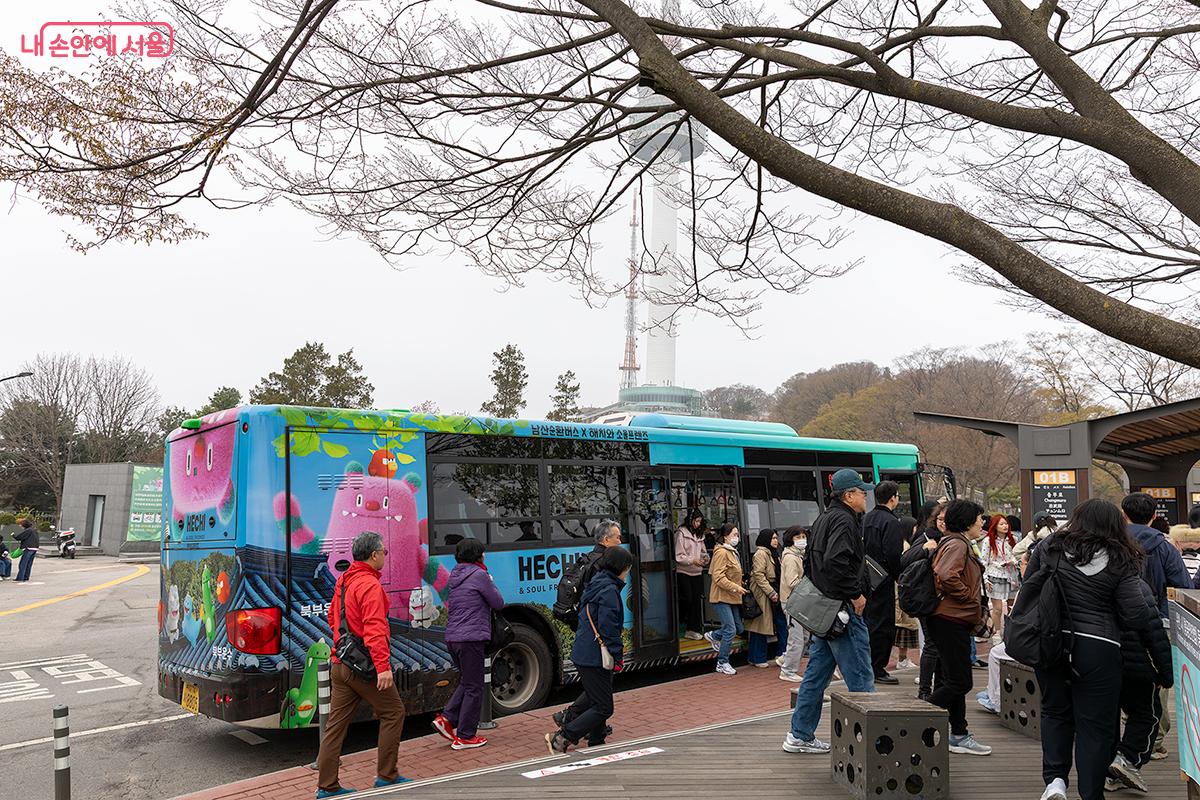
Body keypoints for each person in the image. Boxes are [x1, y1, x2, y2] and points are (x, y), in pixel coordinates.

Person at [1030, 500, 1164, 800]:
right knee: (1096, 727)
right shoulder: (1121, 556)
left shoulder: (1050, 548)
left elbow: (1031, 588)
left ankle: (1055, 783)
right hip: (1099, 650)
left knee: (1055, 713)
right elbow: (1136, 615)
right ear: (1115, 524)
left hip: (1050, 643)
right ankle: (1091, 794)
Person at [782, 468, 875, 755]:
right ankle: (874, 743)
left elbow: (814, 563)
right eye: (862, 492)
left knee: (816, 676)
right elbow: (837, 562)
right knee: (861, 677)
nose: (865, 496)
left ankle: (799, 735)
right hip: (842, 611)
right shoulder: (845, 521)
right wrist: (856, 594)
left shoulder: (824, 518)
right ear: (848, 495)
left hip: (825, 611)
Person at [317, 532, 409, 797]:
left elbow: (333, 617)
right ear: (373, 555)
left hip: (340, 663)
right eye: (384, 552)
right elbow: (375, 628)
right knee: (393, 712)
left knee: (335, 727)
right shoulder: (370, 585)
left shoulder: (344, 580)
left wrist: (343, 645)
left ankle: (327, 786)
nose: (384, 556)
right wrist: (383, 667)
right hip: (364, 668)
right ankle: (387, 776)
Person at [546, 546, 634, 754]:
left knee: (597, 695)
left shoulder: (597, 583)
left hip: (584, 651)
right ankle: (562, 737)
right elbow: (609, 629)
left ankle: (595, 739)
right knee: (604, 707)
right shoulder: (609, 591)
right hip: (595, 655)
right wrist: (618, 656)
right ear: (622, 568)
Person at [926, 499, 991, 756]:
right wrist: (966, 596)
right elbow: (945, 574)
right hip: (950, 619)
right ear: (967, 522)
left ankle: (959, 733)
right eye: (979, 518)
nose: (982, 522)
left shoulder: (956, 542)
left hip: (949, 619)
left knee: (950, 678)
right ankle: (914, 716)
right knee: (960, 682)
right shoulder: (957, 544)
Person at [433, 538, 505, 750]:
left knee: (467, 681)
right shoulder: (480, 575)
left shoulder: (455, 575)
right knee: (475, 687)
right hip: (471, 638)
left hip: (453, 638)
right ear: (477, 555)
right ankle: (465, 736)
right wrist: (490, 581)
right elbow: (498, 603)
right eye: (482, 552)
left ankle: (446, 719)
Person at [1108, 579, 1174, 793]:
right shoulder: (1137, 586)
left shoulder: (1089, 581)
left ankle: (1106, 771)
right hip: (1134, 665)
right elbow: (1155, 634)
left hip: (1097, 663)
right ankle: (1127, 758)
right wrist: (1166, 675)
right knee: (1148, 714)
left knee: (1103, 721)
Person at [862, 480, 906, 685]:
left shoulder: (866, 518)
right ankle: (877, 667)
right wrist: (899, 575)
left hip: (866, 576)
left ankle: (868, 664)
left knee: (869, 621)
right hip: (884, 578)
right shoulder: (891, 522)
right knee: (884, 624)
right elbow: (893, 553)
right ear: (893, 498)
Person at [910, 502, 947, 701]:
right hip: (928, 598)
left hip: (941, 600)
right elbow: (905, 561)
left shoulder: (954, 539)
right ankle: (925, 690)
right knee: (932, 644)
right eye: (940, 519)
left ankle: (938, 687)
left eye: (946, 520)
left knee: (939, 644)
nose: (942, 523)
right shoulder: (927, 537)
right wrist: (925, 549)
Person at [704, 523, 748, 675]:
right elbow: (717, 576)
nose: (737, 538)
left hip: (732, 596)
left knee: (739, 628)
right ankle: (722, 662)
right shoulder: (722, 552)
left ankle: (714, 636)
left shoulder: (732, 551)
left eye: (737, 534)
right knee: (730, 629)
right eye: (734, 535)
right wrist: (736, 587)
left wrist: (739, 583)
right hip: (722, 596)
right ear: (725, 536)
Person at [746, 529, 784, 667]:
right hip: (762, 592)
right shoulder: (761, 553)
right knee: (760, 625)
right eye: (773, 538)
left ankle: (759, 657)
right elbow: (759, 575)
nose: (775, 541)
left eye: (776, 538)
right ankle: (757, 658)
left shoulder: (773, 552)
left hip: (770, 589)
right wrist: (771, 593)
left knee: (764, 624)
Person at [778, 526, 808, 682]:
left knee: (804, 636)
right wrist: (809, 585)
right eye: (798, 537)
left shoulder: (799, 555)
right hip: (792, 601)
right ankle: (788, 670)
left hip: (798, 601)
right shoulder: (791, 557)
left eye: (803, 536)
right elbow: (792, 581)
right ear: (791, 539)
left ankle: (785, 659)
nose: (802, 540)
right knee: (796, 638)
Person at [983, 515, 1018, 644]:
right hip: (995, 576)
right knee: (997, 609)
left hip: (1012, 575)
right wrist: (985, 579)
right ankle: (997, 635)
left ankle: (1010, 633)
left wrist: (1012, 561)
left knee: (1012, 607)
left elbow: (1017, 555)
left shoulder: (1012, 539)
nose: (1005, 526)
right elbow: (984, 561)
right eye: (1001, 524)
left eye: (1006, 524)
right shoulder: (988, 541)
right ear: (995, 526)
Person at [674, 509, 709, 640]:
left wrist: (705, 559)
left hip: (697, 572)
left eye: (700, 521)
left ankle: (693, 629)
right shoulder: (681, 533)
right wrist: (692, 560)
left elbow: (703, 552)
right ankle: (681, 622)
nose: (698, 524)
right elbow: (678, 556)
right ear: (690, 520)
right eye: (696, 521)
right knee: (686, 598)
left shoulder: (700, 535)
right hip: (683, 571)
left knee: (696, 600)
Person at [893, 515, 920, 670]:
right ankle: (902, 660)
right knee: (904, 627)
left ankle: (903, 659)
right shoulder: (905, 546)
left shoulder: (900, 543)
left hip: (899, 590)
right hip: (902, 591)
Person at [13, 518, 40, 582]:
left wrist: (13, 535)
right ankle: (26, 577)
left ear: (24, 525)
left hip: (28, 548)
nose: (20, 526)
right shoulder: (34, 530)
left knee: (23, 564)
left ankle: (20, 578)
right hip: (35, 548)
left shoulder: (28, 530)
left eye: (21, 525)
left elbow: (19, 537)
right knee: (29, 564)